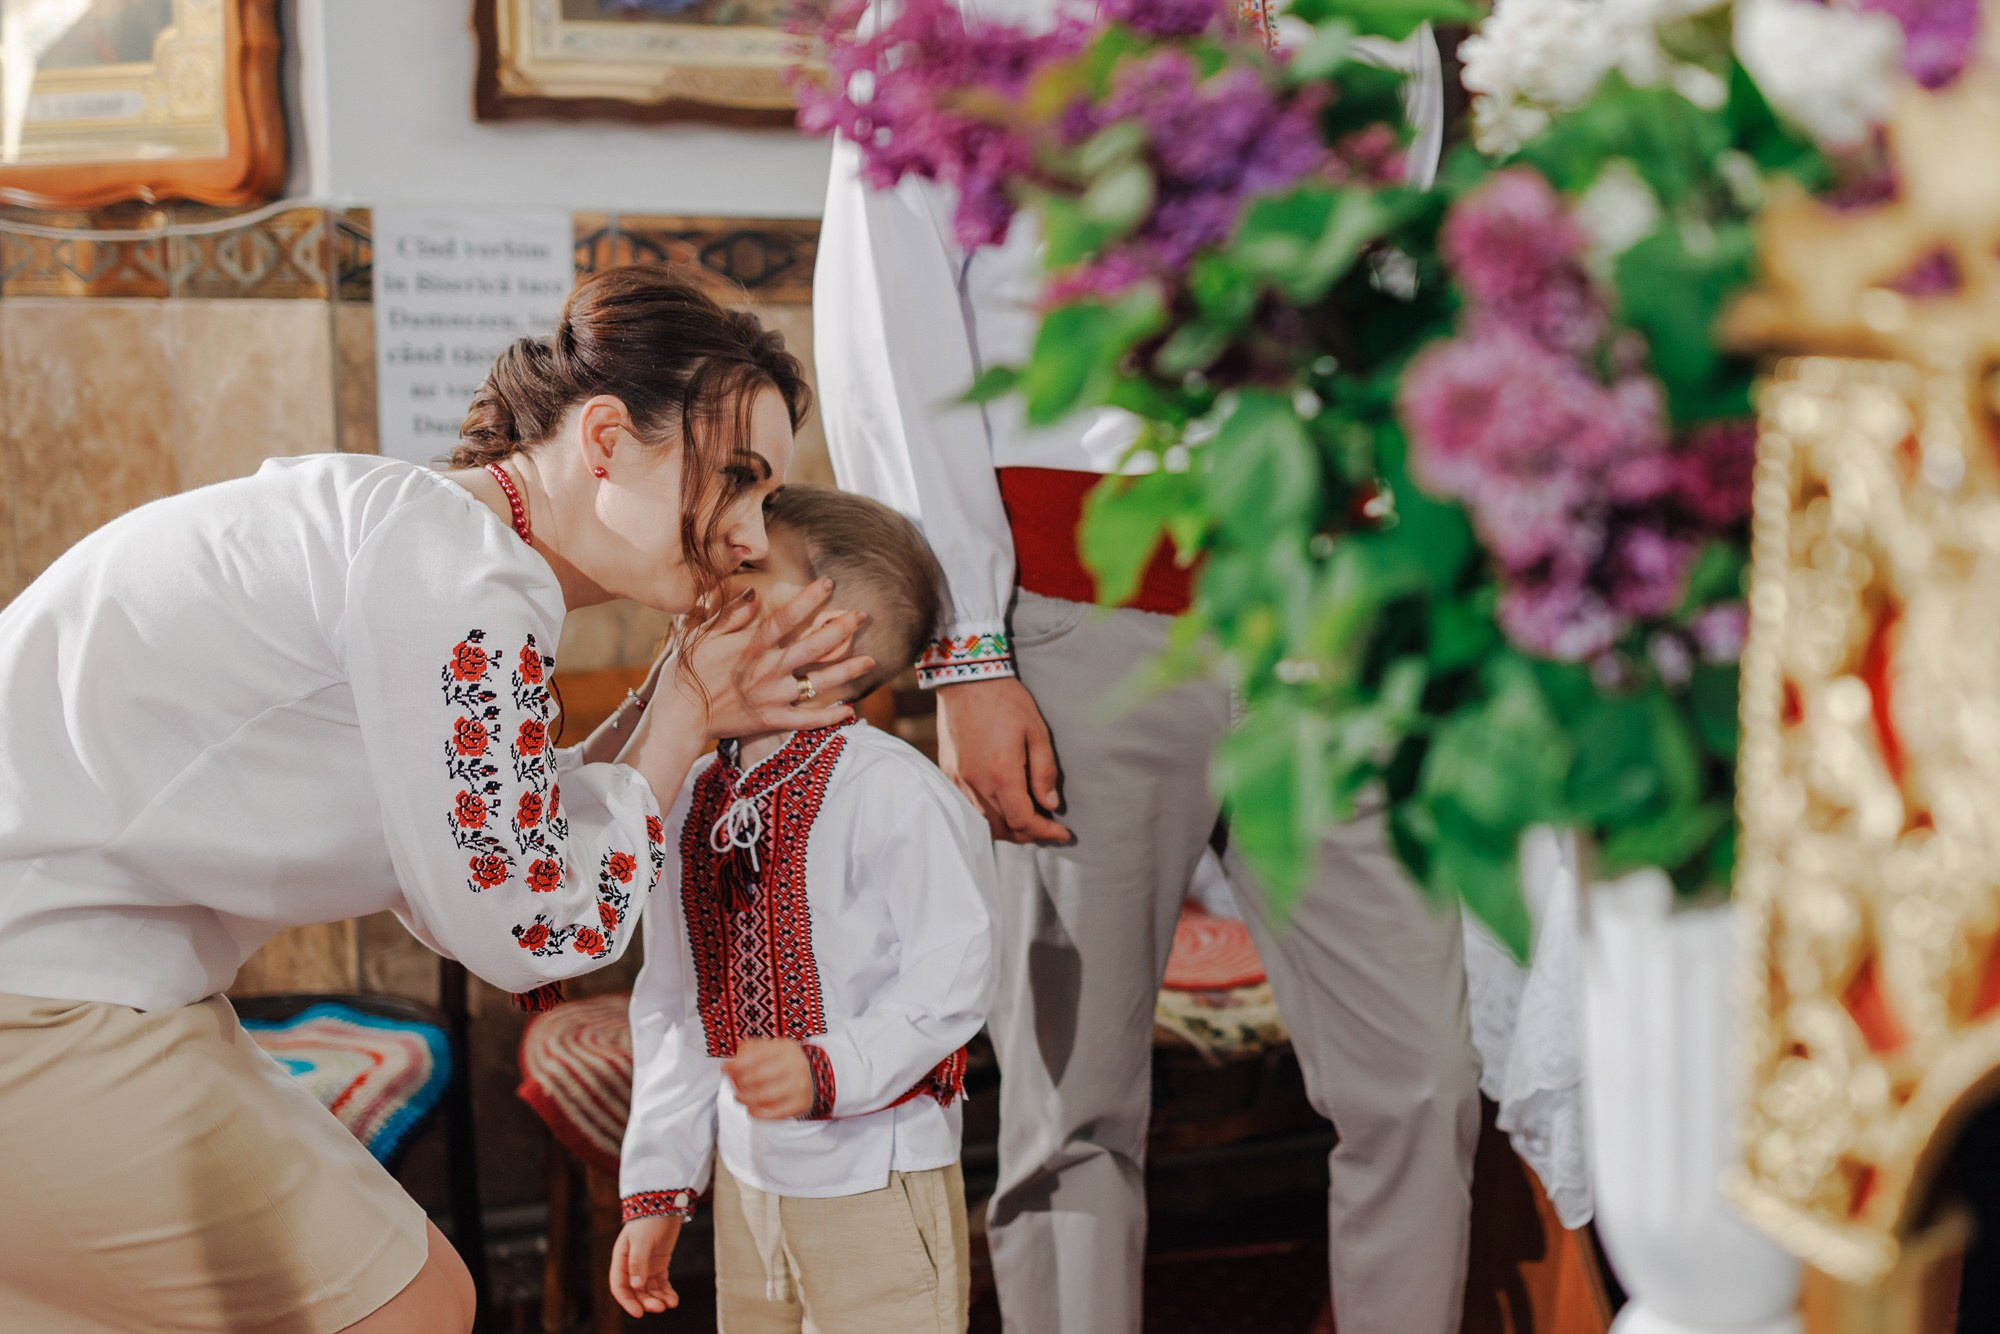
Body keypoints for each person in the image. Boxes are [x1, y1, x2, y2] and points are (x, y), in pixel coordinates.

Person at [0, 266, 875, 1334]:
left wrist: (679, 699)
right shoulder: (462, 575)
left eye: (766, 500)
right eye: (735, 477)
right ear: (605, 439)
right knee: (410, 1300)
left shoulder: (425, 532)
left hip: (80, 972)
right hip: (39, 990)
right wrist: (685, 713)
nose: (746, 533)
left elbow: (492, 830)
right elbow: (530, 921)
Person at [810, 19, 1482, 1334]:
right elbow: (889, 330)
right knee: (1075, 1106)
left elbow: (1385, 283)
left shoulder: (1374, 24)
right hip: (1071, 619)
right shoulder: (951, 25)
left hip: (1320, 617)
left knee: (1424, 1078)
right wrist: (966, 653)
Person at [611, 485, 995, 1334]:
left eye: (751, 566)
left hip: (876, 1177)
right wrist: (662, 1180)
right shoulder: (693, 794)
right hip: (751, 1184)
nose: (717, 577)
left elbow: (953, 982)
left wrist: (830, 1066)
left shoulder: (895, 792)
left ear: (834, 634)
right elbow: (677, 1005)